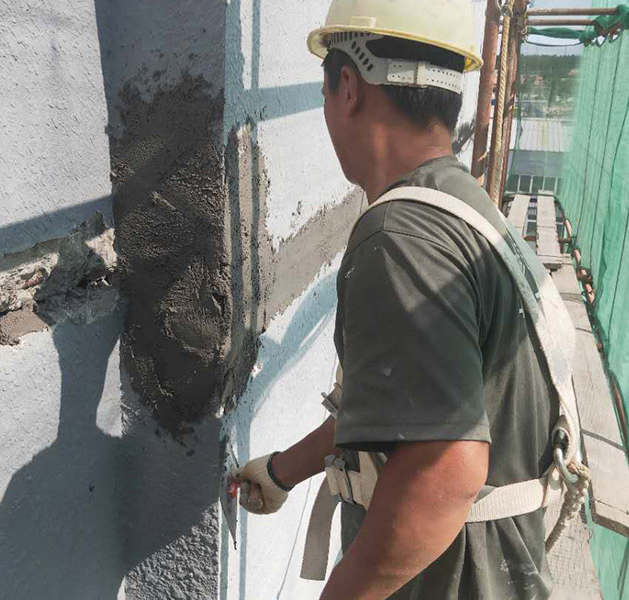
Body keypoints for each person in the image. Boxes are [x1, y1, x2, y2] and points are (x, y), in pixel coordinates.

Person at [236, 1, 564, 599]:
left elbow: (445, 468)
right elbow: (410, 401)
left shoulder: (400, 240)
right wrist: (284, 471)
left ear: (348, 87)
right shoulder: (462, 207)